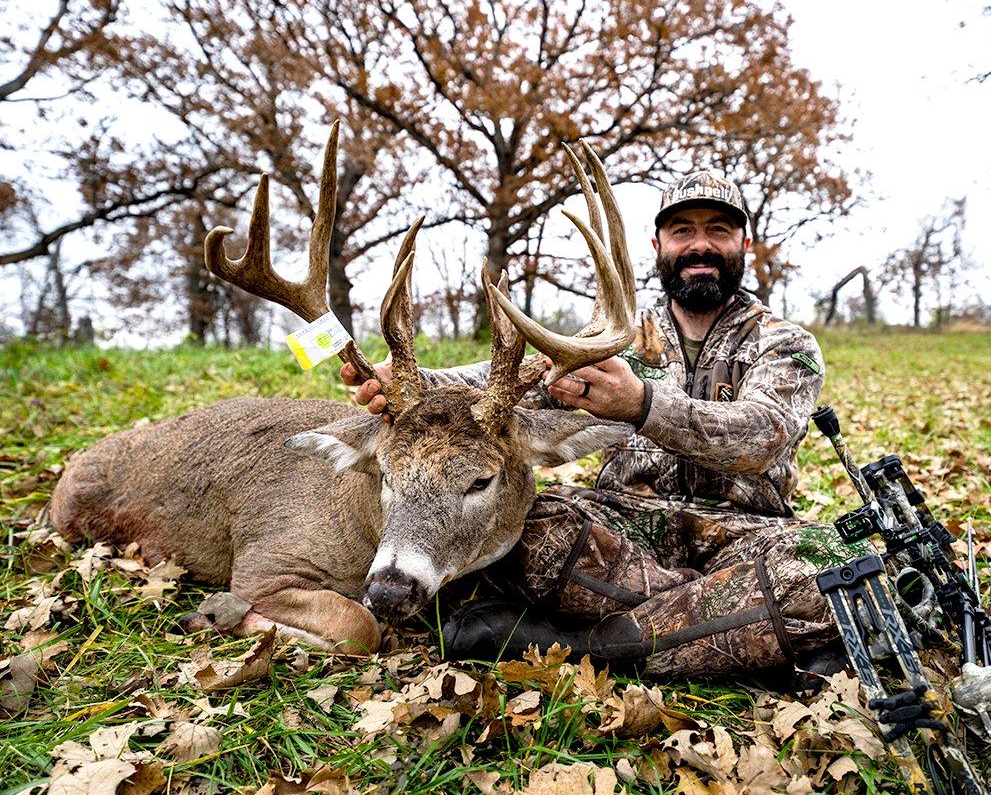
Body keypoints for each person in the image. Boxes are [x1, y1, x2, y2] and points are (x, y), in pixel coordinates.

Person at [342, 170, 856, 679]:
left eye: (718, 230)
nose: (701, 245)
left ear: (745, 242)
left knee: (834, 565)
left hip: (746, 533)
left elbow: (761, 437)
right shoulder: (610, 342)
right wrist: (410, 380)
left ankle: (575, 643)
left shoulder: (786, 344)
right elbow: (499, 383)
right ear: (658, 244)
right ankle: (745, 627)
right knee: (529, 523)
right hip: (621, 529)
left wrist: (640, 404)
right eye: (683, 231)